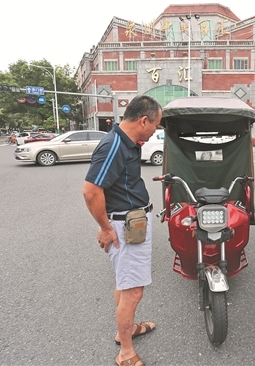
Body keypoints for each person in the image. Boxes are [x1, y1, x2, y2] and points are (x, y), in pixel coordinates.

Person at [82, 95, 162, 366]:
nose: (155, 132)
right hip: (125, 225)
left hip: (132, 221)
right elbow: (91, 190)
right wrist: (105, 228)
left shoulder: (126, 142)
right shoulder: (114, 145)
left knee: (124, 282)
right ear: (143, 120)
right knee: (133, 291)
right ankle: (125, 352)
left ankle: (123, 331)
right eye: (155, 126)